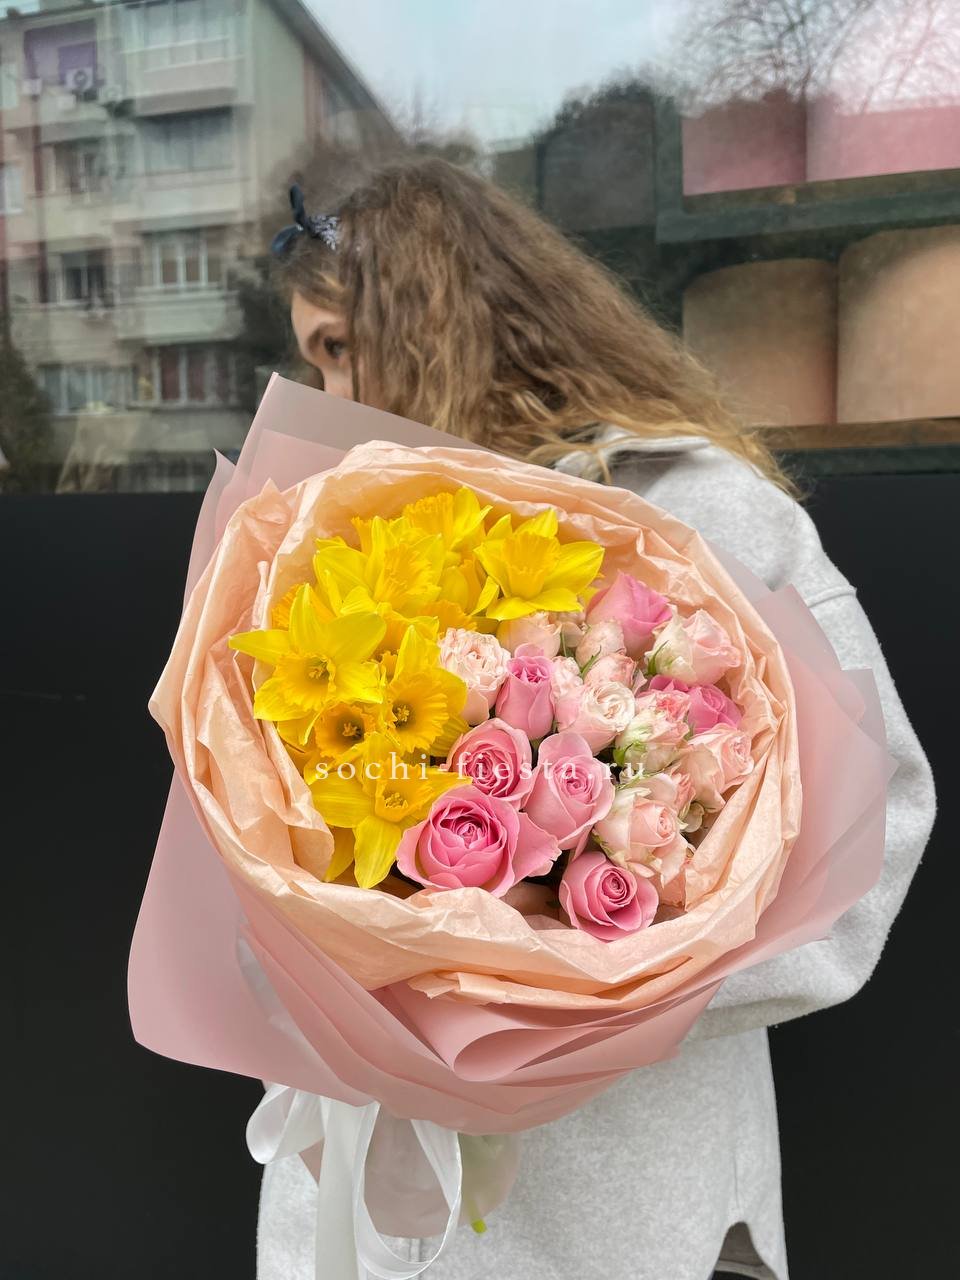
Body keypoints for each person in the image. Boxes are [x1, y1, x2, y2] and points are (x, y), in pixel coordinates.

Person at [257, 159, 935, 1280]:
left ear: (431, 321)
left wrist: (599, 993)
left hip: (622, 1191)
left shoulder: (695, 509)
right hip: (373, 1177)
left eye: (339, 347)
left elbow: (879, 819)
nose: (325, 393)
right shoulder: (338, 538)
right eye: (310, 357)